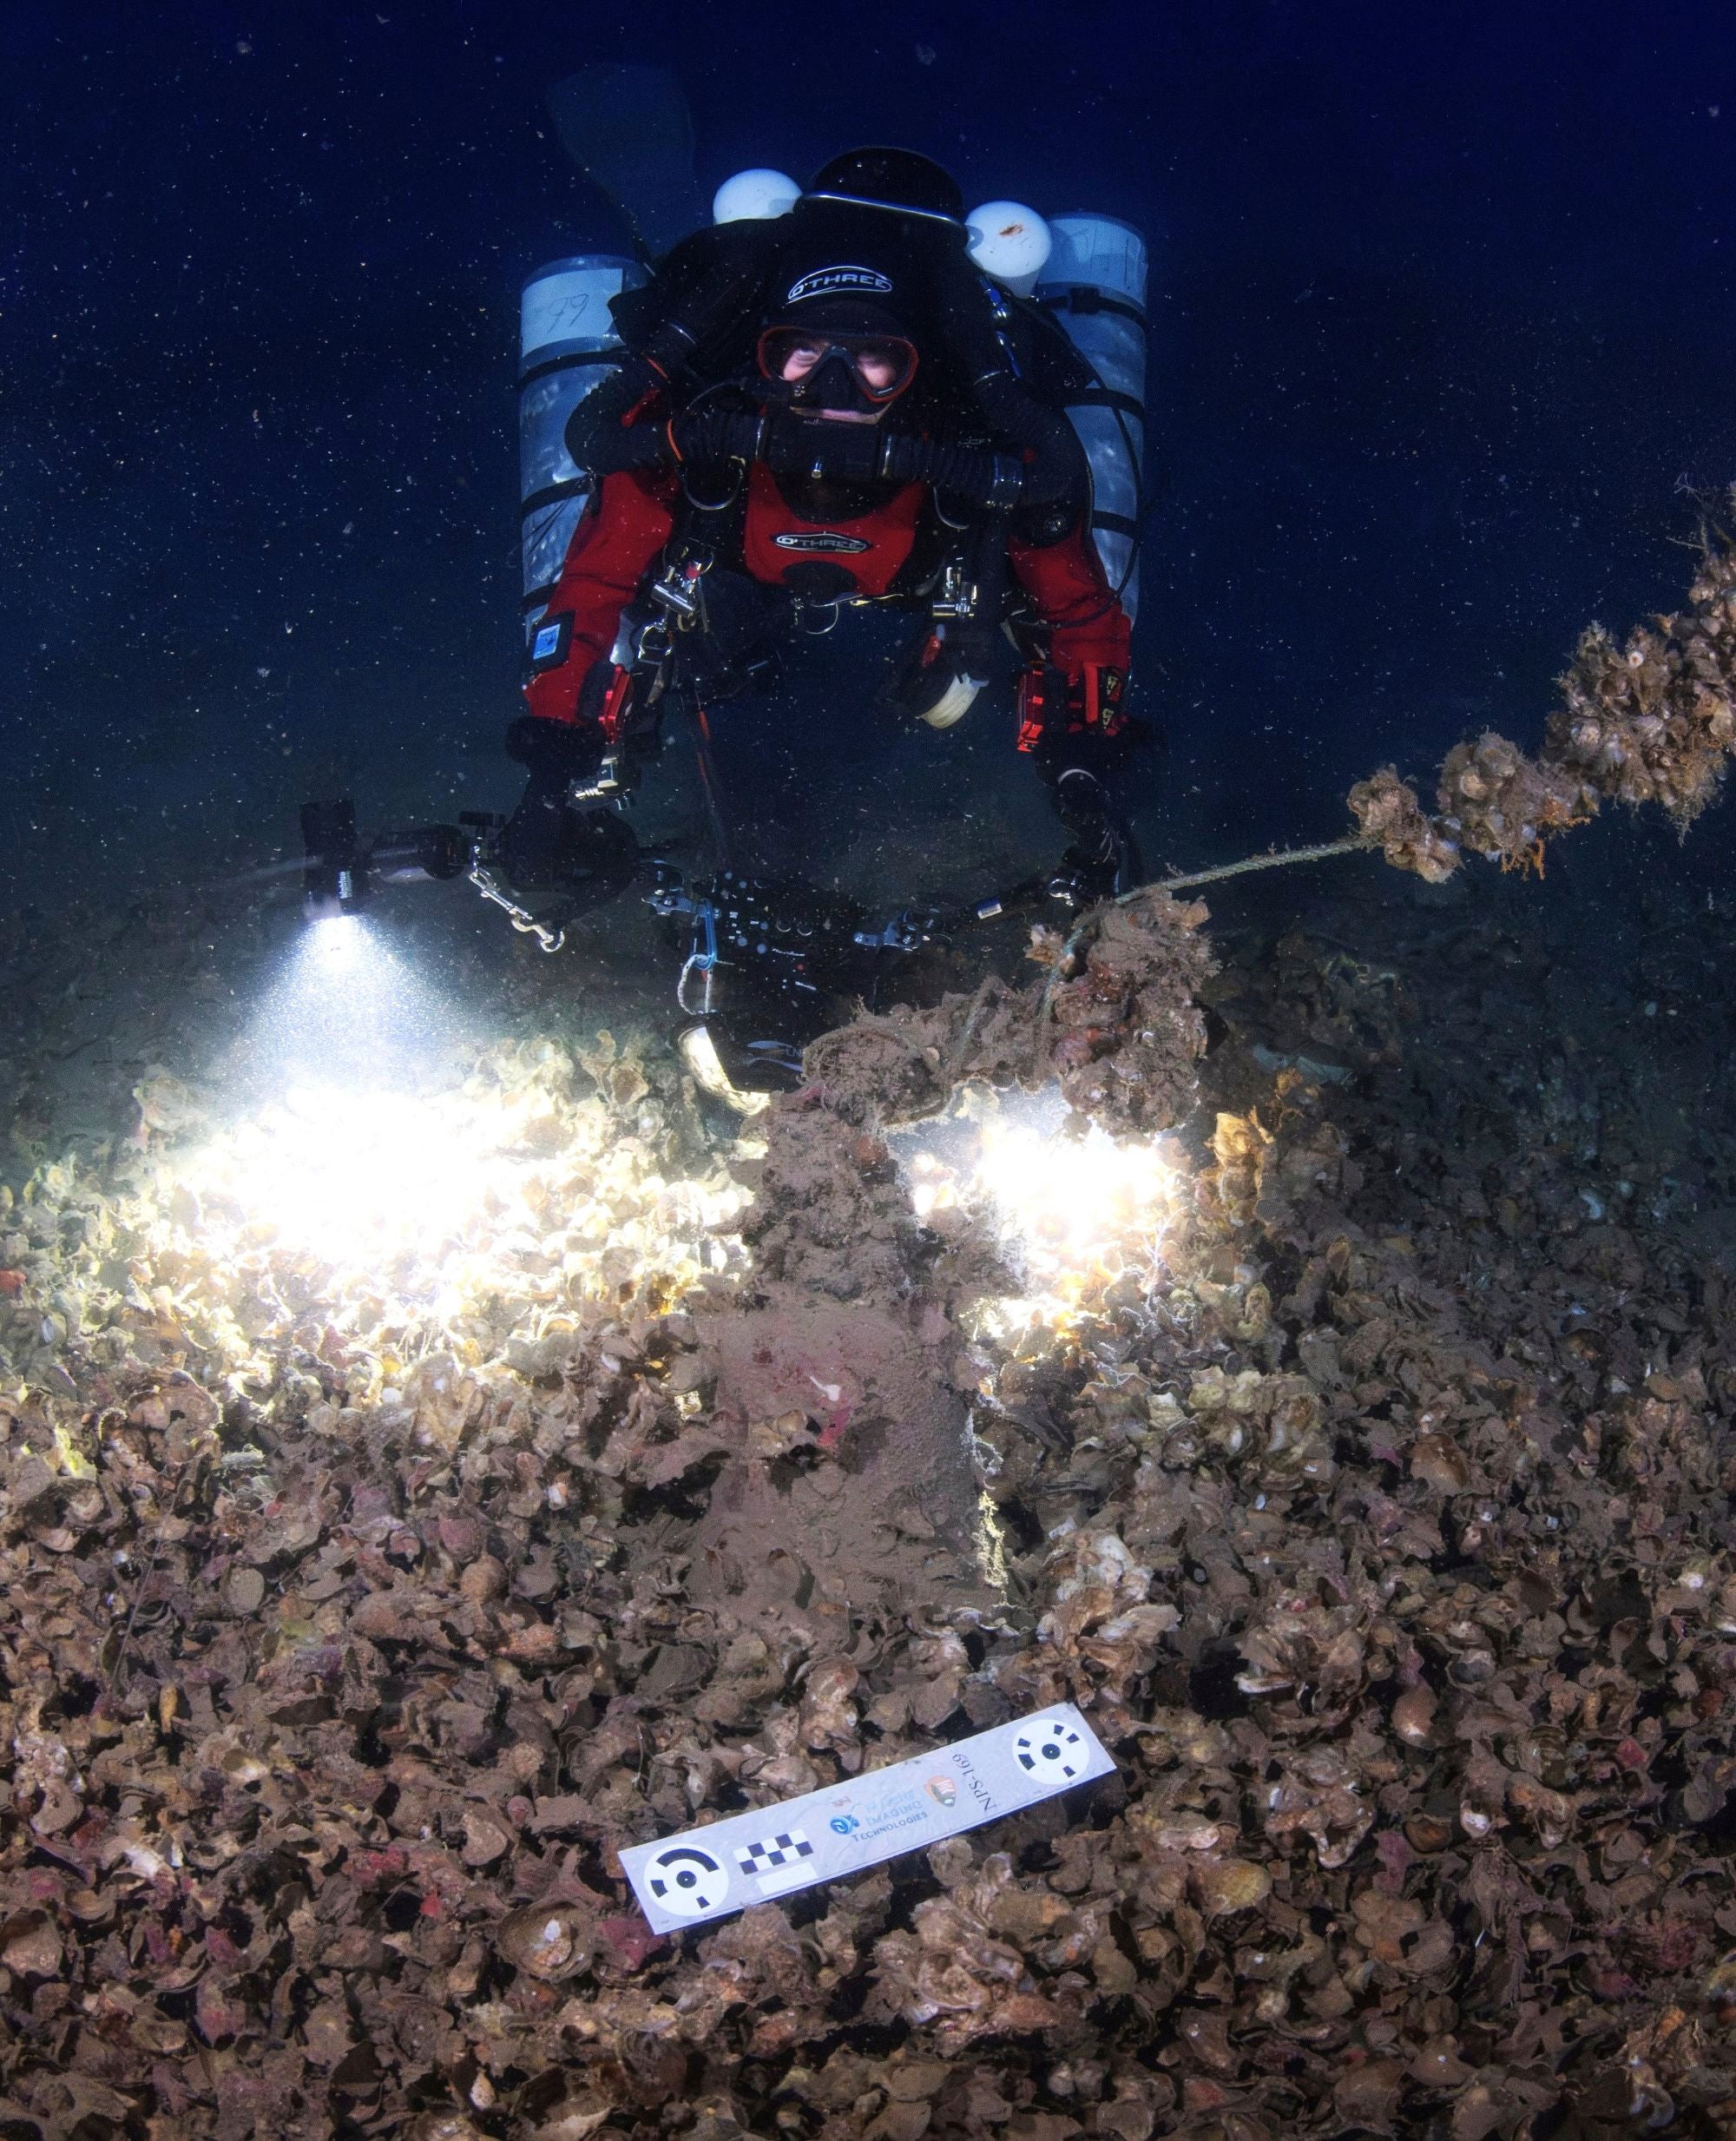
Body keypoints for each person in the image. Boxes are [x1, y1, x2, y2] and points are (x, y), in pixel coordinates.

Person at [501, 148, 1141, 912]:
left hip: (920, 583)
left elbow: (1079, 614)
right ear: (763, 358)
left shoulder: (984, 450)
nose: (834, 387)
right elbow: (598, 582)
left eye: (875, 360)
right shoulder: (698, 436)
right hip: (731, 583)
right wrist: (550, 772)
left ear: (916, 375)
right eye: (801, 353)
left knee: (1020, 631)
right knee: (667, 656)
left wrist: (1084, 775)